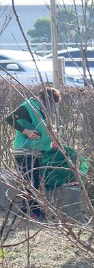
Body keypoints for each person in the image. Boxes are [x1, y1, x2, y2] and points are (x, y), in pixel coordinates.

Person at [5, 86, 61, 221]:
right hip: (24, 151)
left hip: (35, 150)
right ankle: (29, 212)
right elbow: (9, 119)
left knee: (35, 182)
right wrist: (26, 132)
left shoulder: (40, 109)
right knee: (29, 182)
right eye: (51, 103)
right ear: (45, 100)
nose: (52, 107)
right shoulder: (28, 107)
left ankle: (34, 210)